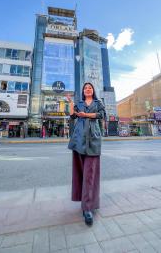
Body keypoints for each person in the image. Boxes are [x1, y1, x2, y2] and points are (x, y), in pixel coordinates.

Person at [66, 82, 105, 226]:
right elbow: (72, 116)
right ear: (83, 91)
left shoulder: (97, 102)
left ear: (93, 90)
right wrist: (70, 103)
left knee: (90, 174)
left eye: (90, 88)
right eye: (85, 88)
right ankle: (84, 201)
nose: (87, 89)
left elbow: (102, 115)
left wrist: (86, 114)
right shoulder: (79, 103)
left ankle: (88, 208)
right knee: (81, 172)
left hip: (93, 139)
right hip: (79, 139)